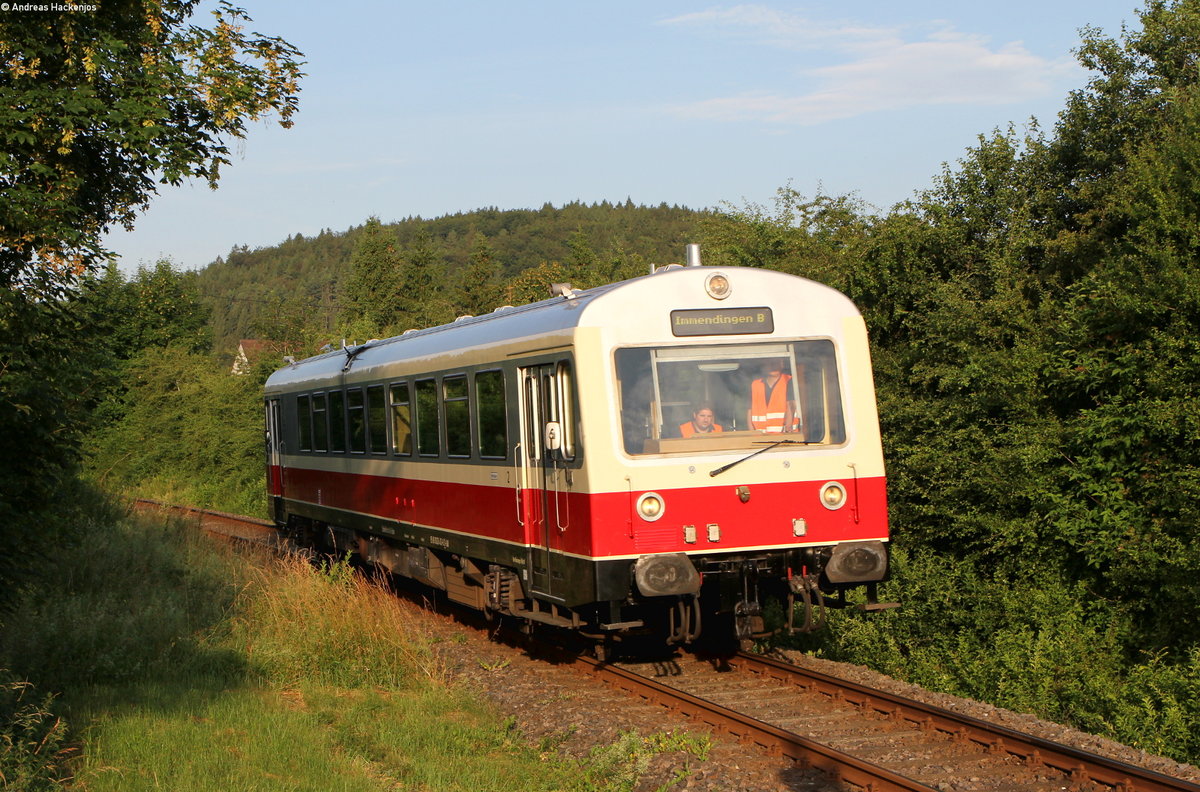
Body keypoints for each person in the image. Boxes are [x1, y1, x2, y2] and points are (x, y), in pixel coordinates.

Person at [747, 359, 797, 433]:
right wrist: (751, 432)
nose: (773, 366)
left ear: (782, 364)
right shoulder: (755, 385)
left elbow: (791, 405)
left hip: (784, 436)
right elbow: (749, 409)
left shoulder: (790, 381)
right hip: (760, 437)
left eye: (776, 362)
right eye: (770, 363)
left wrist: (788, 427)